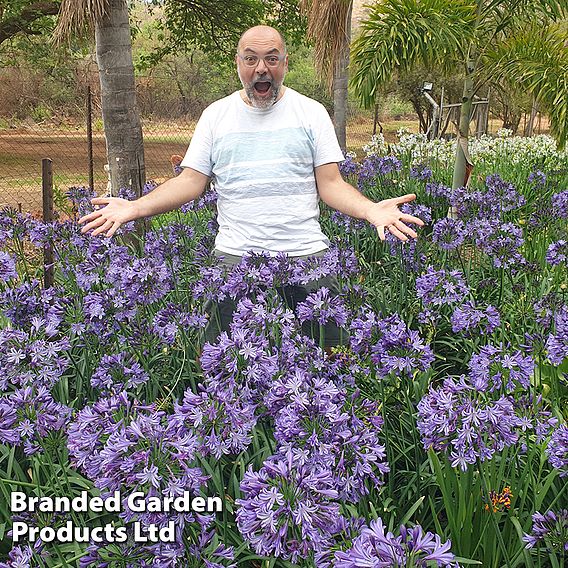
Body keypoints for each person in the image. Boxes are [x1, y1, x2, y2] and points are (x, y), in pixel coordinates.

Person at [79, 25, 424, 346]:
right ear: (239, 64)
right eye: (251, 58)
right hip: (235, 258)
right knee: (224, 363)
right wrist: (135, 207)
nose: (262, 68)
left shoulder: (311, 113)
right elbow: (190, 181)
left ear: (285, 63)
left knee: (330, 355)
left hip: (306, 256)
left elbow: (331, 184)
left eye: (272, 58)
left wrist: (370, 210)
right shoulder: (216, 115)